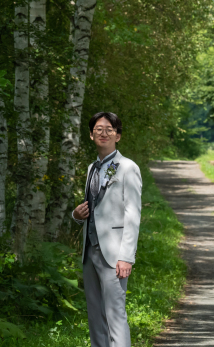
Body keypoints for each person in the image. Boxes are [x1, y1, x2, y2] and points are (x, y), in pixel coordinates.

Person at [72, 112, 142, 347]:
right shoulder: (92, 168)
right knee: (95, 316)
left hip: (114, 254)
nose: (103, 133)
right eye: (98, 129)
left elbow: (132, 214)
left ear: (117, 136)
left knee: (115, 316)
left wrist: (126, 257)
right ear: (91, 135)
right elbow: (95, 208)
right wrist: (76, 215)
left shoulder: (128, 167)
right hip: (90, 252)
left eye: (109, 129)